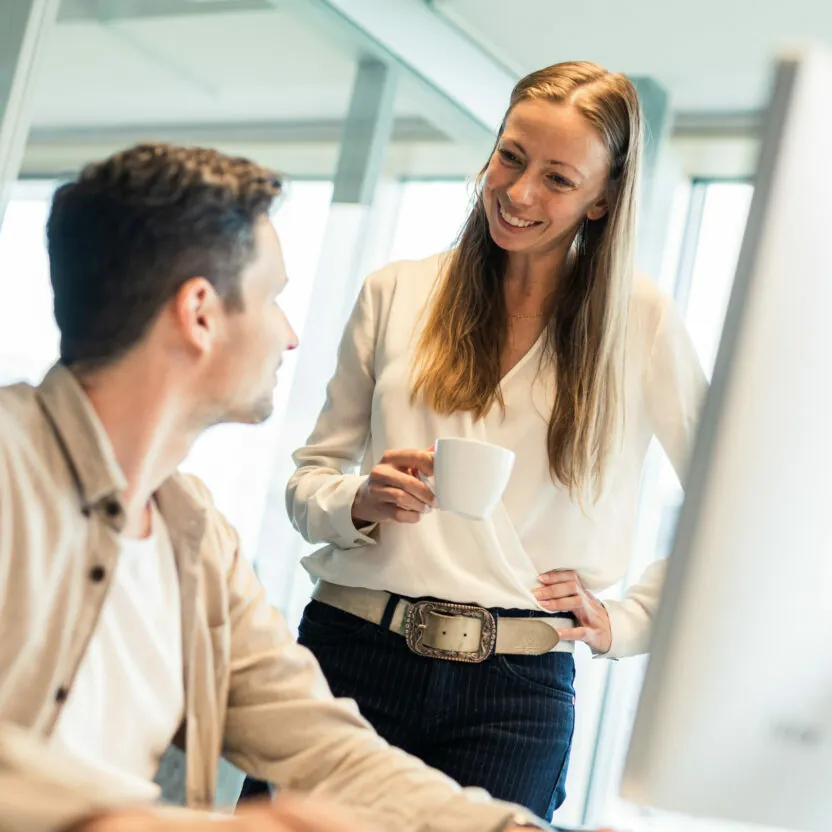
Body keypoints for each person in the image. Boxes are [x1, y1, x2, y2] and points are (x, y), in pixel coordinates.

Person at [0, 143, 545, 832]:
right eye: (273, 298)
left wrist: (514, 829)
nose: (289, 336)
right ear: (200, 313)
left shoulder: (194, 536)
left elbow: (325, 750)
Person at [287, 61, 707, 821]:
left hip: (516, 693)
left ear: (603, 200)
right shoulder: (397, 291)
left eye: (557, 178)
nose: (517, 193)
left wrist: (628, 621)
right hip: (350, 656)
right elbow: (311, 477)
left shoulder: (641, 324)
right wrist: (358, 499)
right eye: (510, 157)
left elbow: (734, 503)